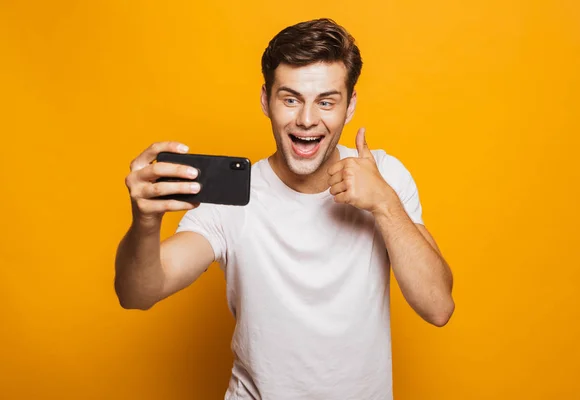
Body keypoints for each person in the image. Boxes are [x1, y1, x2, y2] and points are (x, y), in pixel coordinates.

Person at [115, 17, 454, 400]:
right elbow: (138, 293)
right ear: (266, 100)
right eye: (290, 99)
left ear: (351, 104)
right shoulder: (234, 199)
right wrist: (145, 221)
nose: (307, 120)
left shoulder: (385, 177)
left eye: (326, 101)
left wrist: (385, 205)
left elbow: (438, 307)